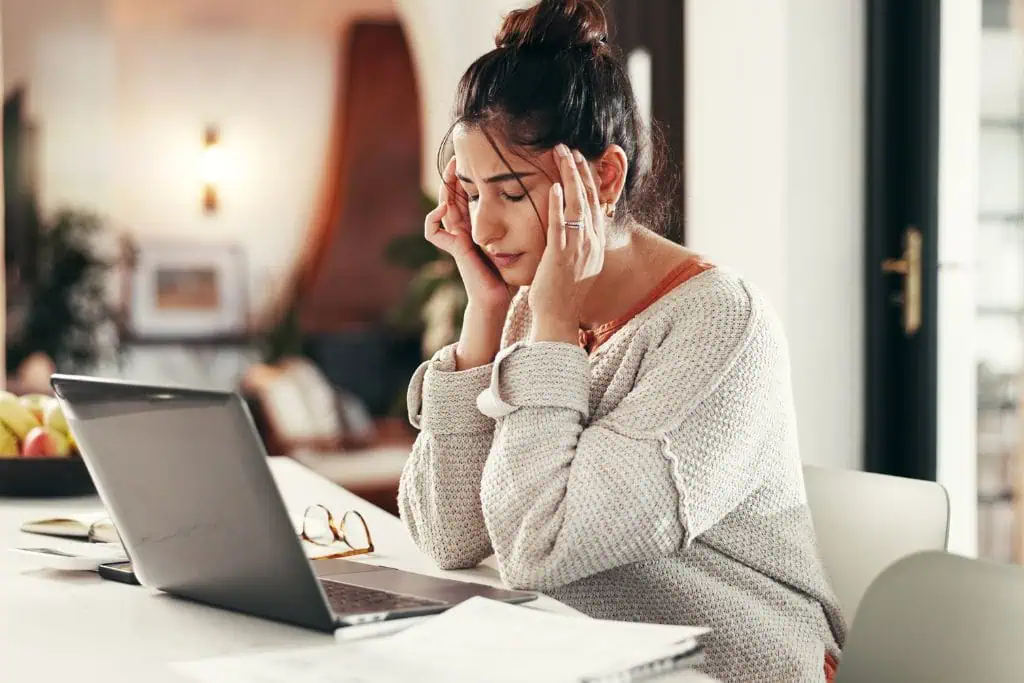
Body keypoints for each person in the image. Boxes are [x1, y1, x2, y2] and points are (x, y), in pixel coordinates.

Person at [397, 1, 846, 680]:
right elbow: (449, 535)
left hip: (733, 667)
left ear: (603, 178)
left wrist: (548, 327)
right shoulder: (530, 308)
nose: (484, 229)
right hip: (594, 659)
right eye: (471, 193)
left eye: (512, 193)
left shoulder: (722, 328)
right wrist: (483, 318)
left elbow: (534, 547)